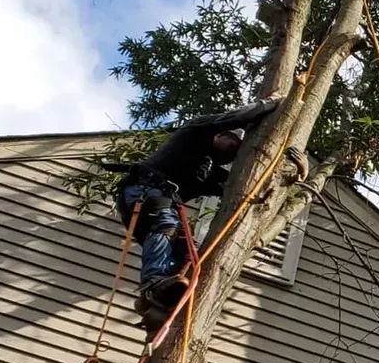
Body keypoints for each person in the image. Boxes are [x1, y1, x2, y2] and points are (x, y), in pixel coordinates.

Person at [114, 98, 281, 317]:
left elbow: (238, 188)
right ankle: (153, 283)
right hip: (144, 191)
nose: (231, 151)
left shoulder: (206, 170)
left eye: (235, 151)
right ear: (220, 134)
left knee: (191, 254)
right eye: (231, 142)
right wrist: (269, 104)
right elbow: (236, 117)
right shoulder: (195, 132)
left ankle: (160, 303)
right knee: (165, 225)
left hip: (162, 203)